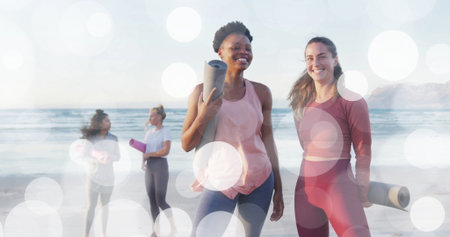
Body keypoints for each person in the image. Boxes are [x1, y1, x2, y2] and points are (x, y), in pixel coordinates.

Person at [181, 21, 284, 237]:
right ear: (220, 53)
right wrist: (204, 115)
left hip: (260, 179)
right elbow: (186, 144)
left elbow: (267, 139)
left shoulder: (262, 92)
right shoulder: (201, 92)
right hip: (220, 180)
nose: (243, 52)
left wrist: (279, 187)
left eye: (248, 48)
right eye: (235, 47)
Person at [288, 36, 372, 237]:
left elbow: (363, 149)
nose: (315, 63)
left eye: (321, 56)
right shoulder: (301, 103)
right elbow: (305, 145)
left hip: (340, 187)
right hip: (305, 188)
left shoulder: (352, 101)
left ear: (335, 60)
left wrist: (363, 185)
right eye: (309, 58)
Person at [81, 109, 120, 237]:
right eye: (107, 120)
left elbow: (118, 156)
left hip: (108, 179)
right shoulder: (91, 138)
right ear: (99, 123)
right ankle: (86, 234)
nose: (110, 122)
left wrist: (110, 157)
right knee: (91, 207)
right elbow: (84, 156)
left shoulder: (114, 138)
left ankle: (103, 233)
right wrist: (97, 159)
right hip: (93, 178)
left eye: (109, 120)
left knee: (105, 207)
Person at [142, 105, 175, 237]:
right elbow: (145, 150)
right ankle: (156, 230)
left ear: (160, 117)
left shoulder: (165, 131)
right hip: (149, 167)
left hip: (160, 165)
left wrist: (150, 155)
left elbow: (165, 151)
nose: (150, 118)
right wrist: (142, 162)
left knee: (160, 199)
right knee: (152, 200)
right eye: (149, 116)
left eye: (152, 115)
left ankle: (173, 227)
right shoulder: (149, 133)